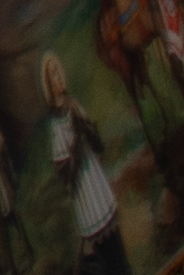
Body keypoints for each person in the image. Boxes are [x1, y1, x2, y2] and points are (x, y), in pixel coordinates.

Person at [41, 51, 131, 275]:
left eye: (59, 71)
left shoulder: (74, 105)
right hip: (85, 193)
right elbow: (64, 172)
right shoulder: (55, 125)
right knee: (106, 255)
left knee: (117, 244)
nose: (59, 77)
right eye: (53, 75)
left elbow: (96, 143)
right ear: (48, 84)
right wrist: (75, 151)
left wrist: (88, 131)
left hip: (96, 182)